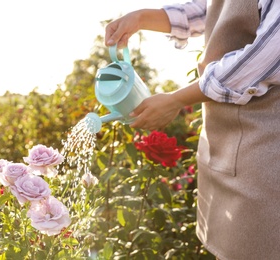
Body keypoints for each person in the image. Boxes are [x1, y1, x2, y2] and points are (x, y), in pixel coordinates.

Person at [104, 0, 280, 259]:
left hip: (265, 154)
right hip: (227, 147)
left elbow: (261, 60)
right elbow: (212, 9)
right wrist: (141, 18)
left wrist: (176, 99)